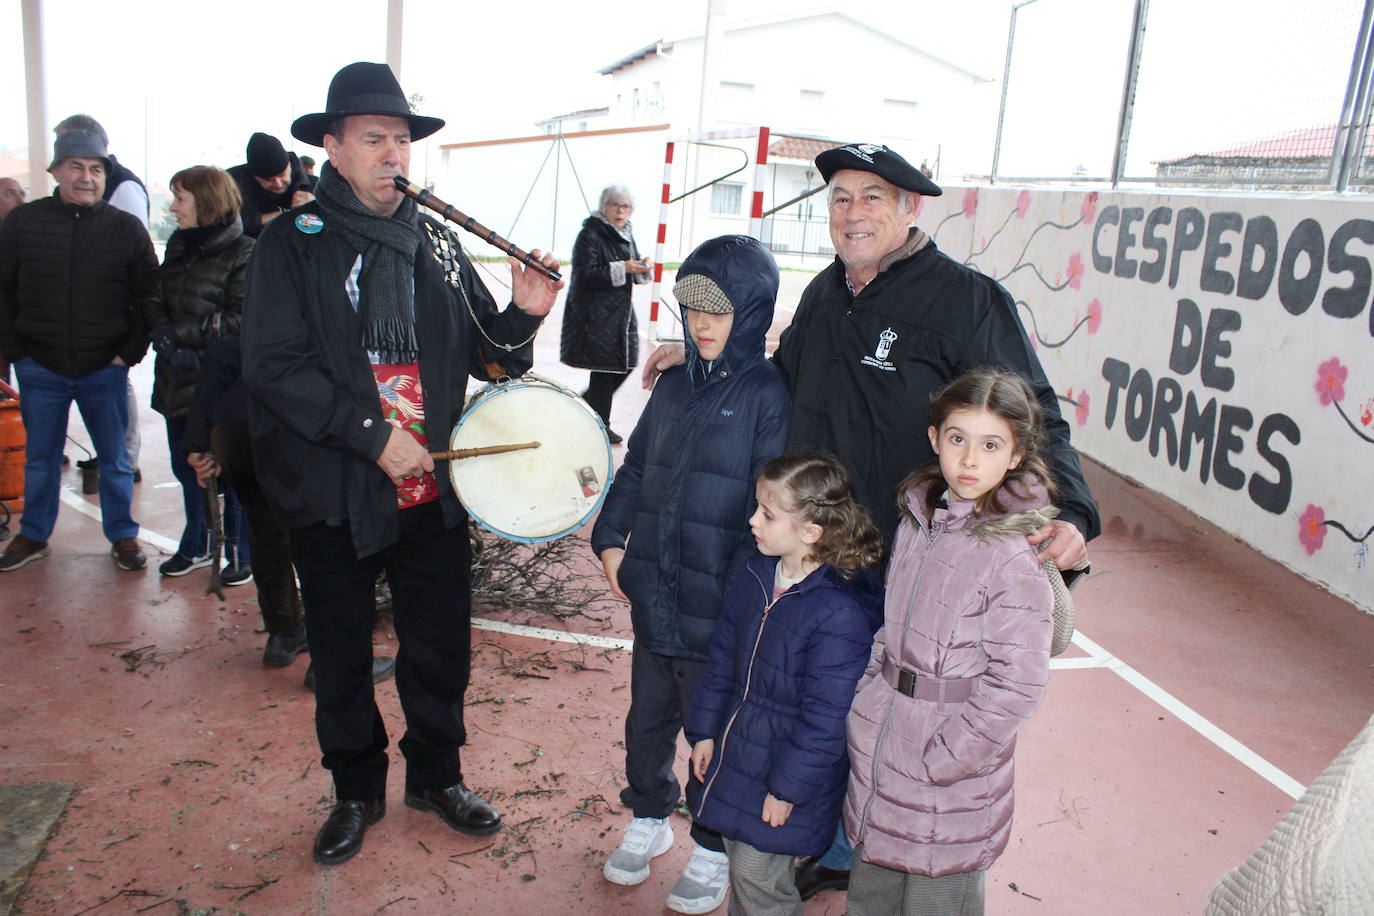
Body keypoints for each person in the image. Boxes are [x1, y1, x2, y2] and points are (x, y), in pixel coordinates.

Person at [642, 145, 1099, 895]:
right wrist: (700, 362)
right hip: (827, 553)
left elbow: (1029, 407)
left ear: (910, 209)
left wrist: (1073, 507)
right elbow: (778, 379)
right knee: (831, 701)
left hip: (912, 559)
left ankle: (857, 854)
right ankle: (831, 838)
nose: (854, 213)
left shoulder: (964, 299)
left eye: (873, 198)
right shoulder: (826, 295)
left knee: (889, 705)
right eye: (841, 198)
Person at [240, 61, 562, 867]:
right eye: (374, 139)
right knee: (343, 649)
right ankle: (355, 790)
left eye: (403, 141)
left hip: (433, 488)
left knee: (438, 645)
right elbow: (274, 365)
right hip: (337, 484)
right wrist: (371, 434)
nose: (394, 155)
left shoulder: (437, 247)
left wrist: (523, 312)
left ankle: (436, 776)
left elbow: (492, 360)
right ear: (333, 147)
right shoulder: (291, 244)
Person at [591, 235, 790, 914]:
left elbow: (771, 509)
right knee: (647, 719)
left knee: (715, 731)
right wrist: (612, 541)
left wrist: (742, 601)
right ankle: (648, 815)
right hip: (655, 595)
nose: (702, 325)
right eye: (692, 309)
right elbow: (638, 468)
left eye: (720, 311)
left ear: (755, 313)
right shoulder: (673, 385)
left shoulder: (769, 396)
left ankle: (710, 843)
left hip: (719, 609)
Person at [844, 368, 1058, 916]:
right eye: (958, 439)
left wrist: (949, 758)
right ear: (935, 437)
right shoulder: (919, 520)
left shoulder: (1012, 557)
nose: (969, 461)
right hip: (886, 743)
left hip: (947, 773)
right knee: (871, 896)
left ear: (1015, 456)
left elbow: (1016, 685)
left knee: (937, 901)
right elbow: (891, 625)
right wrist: (869, 700)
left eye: (990, 445)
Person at [686, 452, 884, 915]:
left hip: (787, 775)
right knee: (745, 872)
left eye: (767, 514)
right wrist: (705, 731)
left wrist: (787, 790)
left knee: (759, 879)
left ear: (810, 531)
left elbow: (827, 720)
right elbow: (721, 661)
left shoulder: (839, 613)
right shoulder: (756, 573)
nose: (752, 520)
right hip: (738, 756)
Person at [184, 336, 396, 684]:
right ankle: (330, 664)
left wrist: (196, 446)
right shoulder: (309, 328)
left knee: (266, 535)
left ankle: (283, 636)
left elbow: (209, 384)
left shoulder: (241, 334)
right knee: (323, 541)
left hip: (233, 437)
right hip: (285, 437)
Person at [0, 129, 155, 573]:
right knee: (40, 460)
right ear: (55, 171)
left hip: (104, 369)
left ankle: (123, 536)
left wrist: (128, 353)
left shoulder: (126, 229)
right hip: (39, 367)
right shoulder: (23, 223)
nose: (87, 178)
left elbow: (148, 297)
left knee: (116, 461)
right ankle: (33, 535)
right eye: (76, 167)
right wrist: (17, 353)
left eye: (96, 169)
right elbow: (3, 291)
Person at [145, 166, 254, 585]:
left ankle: (240, 552)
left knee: (233, 470)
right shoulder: (178, 247)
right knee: (184, 466)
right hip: (176, 381)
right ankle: (197, 542)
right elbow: (154, 296)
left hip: (222, 386)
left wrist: (182, 335)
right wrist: (165, 338)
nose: (173, 208)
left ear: (207, 201)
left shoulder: (244, 252)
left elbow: (241, 319)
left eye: (180, 198)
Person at [54, 114, 149, 481]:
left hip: (112, 322)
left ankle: (128, 457)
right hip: (76, 328)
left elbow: (136, 263)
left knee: (116, 390)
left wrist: (128, 344)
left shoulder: (123, 188)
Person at [560, 184, 652, 443]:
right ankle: (600, 424)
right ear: (604, 206)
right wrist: (623, 267)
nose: (621, 211)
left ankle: (580, 407)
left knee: (627, 363)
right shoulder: (589, 234)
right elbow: (585, 274)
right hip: (595, 314)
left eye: (626, 206)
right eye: (615, 205)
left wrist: (641, 267)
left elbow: (631, 269)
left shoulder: (625, 232)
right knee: (604, 371)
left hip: (620, 314)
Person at [227, 132, 314, 238]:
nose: (277, 184)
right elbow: (217, 228)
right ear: (254, 176)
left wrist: (316, 208)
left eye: (282, 175)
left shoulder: (317, 186)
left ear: (289, 165)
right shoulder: (231, 187)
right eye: (268, 179)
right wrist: (259, 220)